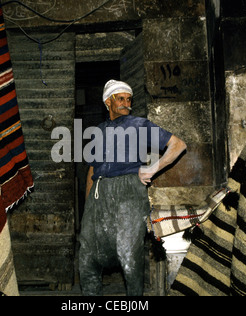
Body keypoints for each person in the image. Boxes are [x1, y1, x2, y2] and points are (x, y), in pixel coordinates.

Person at [79, 80, 187, 296]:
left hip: (129, 192)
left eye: (129, 99)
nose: (126, 103)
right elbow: (92, 170)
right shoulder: (98, 131)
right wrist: (87, 207)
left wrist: (152, 169)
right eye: (121, 99)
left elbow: (178, 145)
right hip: (99, 195)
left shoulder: (139, 124)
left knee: (129, 256)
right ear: (108, 102)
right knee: (87, 257)